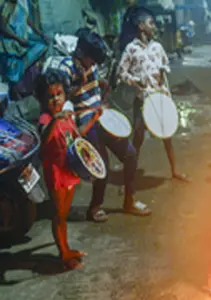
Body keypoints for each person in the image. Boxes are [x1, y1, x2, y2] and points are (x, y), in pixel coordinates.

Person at [48, 30, 151, 222]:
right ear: (81, 53)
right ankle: (95, 206)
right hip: (86, 122)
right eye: (92, 60)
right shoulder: (66, 69)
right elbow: (61, 100)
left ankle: (129, 201)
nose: (94, 65)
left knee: (130, 155)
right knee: (101, 164)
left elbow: (95, 84)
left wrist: (101, 85)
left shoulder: (91, 65)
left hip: (101, 116)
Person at [36, 70, 101, 270]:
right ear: (43, 99)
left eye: (59, 94)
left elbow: (77, 135)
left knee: (63, 214)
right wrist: (56, 118)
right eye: (51, 96)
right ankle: (63, 254)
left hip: (68, 170)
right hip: (55, 173)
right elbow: (44, 138)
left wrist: (93, 119)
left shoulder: (68, 116)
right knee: (59, 214)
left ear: (65, 95)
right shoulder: (46, 119)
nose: (56, 99)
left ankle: (66, 248)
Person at [118, 11, 190, 182]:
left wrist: (163, 75)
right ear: (141, 26)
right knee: (138, 137)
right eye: (151, 23)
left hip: (160, 98)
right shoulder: (131, 49)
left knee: (167, 135)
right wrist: (136, 81)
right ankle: (130, 174)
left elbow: (165, 66)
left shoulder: (158, 47)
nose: (154, 26)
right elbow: (121, 73)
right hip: (142, 100)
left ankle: (175, 170)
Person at [0, 0, 49, 100]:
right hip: (11, 46)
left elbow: (27, 20)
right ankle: (16, 95)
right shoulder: (7, 6)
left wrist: (40, 33)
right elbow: (3, 26)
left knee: (41, 46)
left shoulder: (19, 6)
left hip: (22, 43)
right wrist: (18, 39)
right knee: (15, 75)